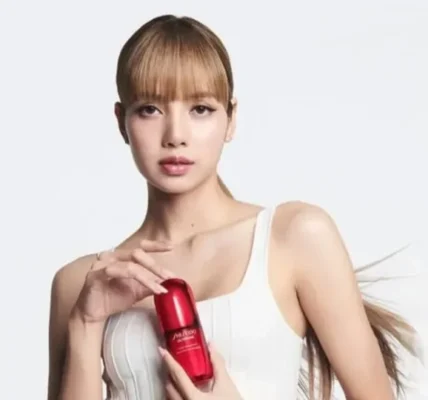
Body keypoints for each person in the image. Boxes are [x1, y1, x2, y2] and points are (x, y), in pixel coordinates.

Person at [47, 14, 420, 400]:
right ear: (121, 121)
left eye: (200, 109)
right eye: (150, 109)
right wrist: (86, 324)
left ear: (230, 119)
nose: (176, 136)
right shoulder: (80, 284)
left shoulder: (294, 238)